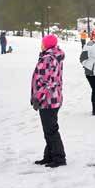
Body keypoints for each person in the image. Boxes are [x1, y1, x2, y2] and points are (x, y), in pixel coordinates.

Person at [31, 34, 66, 168]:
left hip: (48, 100)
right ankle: (50, 155)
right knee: (49, 130)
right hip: (53, 98)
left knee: (51, 130)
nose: (41, 44)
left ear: (47, 45)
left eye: (43, 43)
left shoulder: (48, 58)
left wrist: (37, 97)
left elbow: (47, 82)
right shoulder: (53, 56)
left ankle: (59, 158)